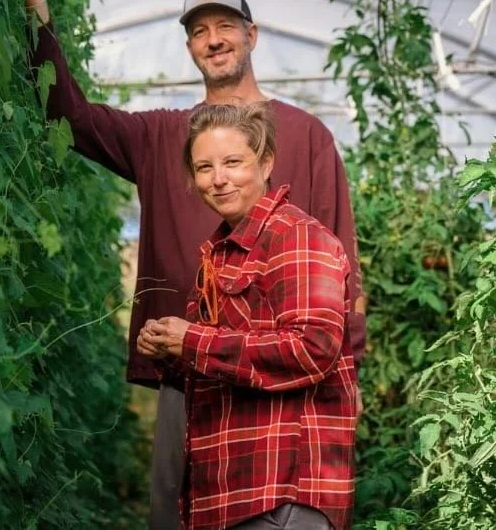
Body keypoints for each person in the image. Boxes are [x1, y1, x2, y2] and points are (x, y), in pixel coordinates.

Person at [24, 0, 365, 529]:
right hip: (191, 377)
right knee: (185, 512)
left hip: (288, 388)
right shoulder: (163, 136)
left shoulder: (306, 136)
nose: (213, 40)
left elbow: (340, 268)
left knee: (276, 510)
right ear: (189, 48)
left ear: (251, 35)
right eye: (199, 31)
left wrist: (348, 381)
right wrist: (37, 22)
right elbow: (74, 118)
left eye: (226, 26)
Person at [137, 102, 358, 530]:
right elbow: (222, 363)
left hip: (282, 493)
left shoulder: (295, 237)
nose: (218, 179)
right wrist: (170, 348)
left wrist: (193, 341)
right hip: (236, 489)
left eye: (232, 162)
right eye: (204, 167)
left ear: (267, 161)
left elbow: (313, 348)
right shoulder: (221, 253)